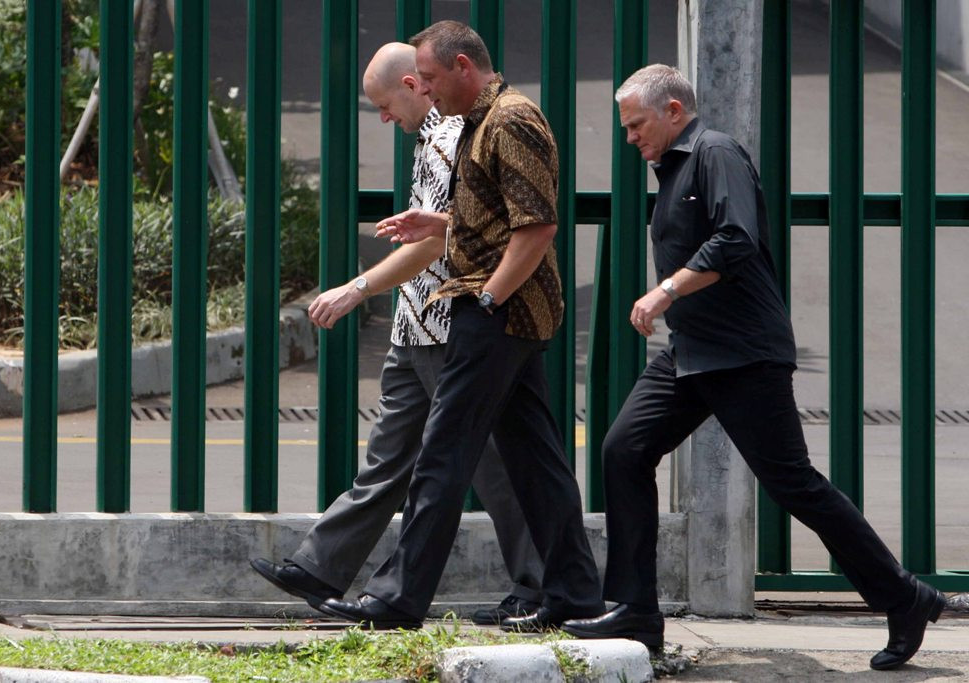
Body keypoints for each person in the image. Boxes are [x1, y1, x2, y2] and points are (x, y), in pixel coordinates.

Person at [560, 64, 946, 669]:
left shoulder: (716, 154)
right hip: (691, 353)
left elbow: (735, 238)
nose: (630, 137)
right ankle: (636, 608)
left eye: (636, 125)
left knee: (794, 484)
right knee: (623, 450)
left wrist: (666, 291)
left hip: (743, 353)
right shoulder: (673, 166)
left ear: (674, 111)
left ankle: (905, 596)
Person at [319, 20, 604, 631]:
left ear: (463, 68)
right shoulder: (478, 123)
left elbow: (537, 228)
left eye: (429, 78)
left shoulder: (511, 121)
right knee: (537, 463)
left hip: (497, 314)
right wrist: (440, 224)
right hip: (502, 313)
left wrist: (489, 301)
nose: (425, 90)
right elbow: (496, 223)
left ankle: (396, 600)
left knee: (442, 458)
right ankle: (576, 594)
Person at [249, 42, 546, 626]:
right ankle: (320, 564)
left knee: (487, 467)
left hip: (443, 325)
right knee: (390, 458)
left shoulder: (448, 139)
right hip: (415, 326)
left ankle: (537, 585)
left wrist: (356, 289)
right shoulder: (433, 137)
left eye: (387, 105)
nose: (384, 119)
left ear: (415, 84)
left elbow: (434, 243)